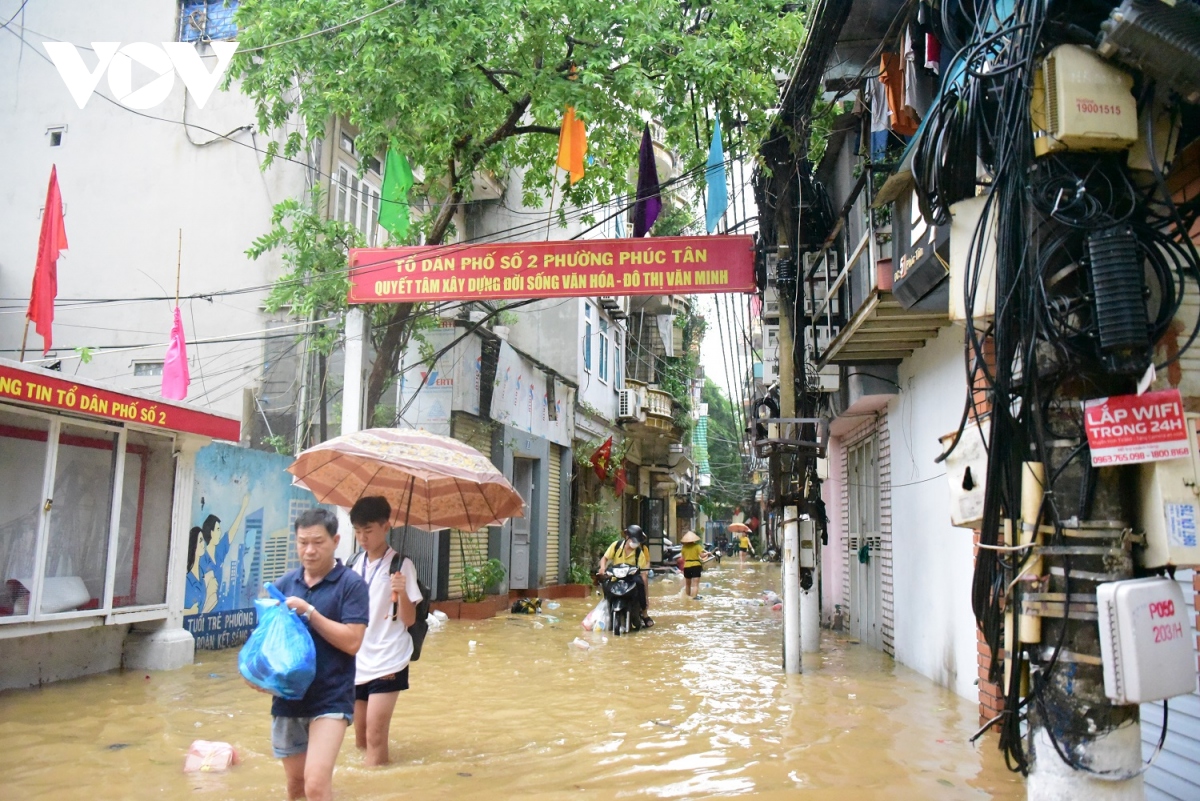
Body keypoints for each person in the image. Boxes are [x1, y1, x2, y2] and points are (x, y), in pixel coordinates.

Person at [266, 508, 369, 801]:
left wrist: (309, 612)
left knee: (315, 784)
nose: (309, 550)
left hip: (331, 697)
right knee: (296, 787)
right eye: (302, 542)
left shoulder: (351, 585)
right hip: (288, 699)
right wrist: (258, 676)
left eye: (318, 542)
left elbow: (352, 642)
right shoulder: (285, 585)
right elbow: (270, 643)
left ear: (335, 540)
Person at [348, 496, 423, 767]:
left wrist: (402, 592)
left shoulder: (401, 566)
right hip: (358, 659)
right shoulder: (353, 563)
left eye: (368, 531)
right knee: (359, 738)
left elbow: (409, 620)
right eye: (357, 531)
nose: (362, 538)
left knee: (376, 735)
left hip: (389, 658)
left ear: (386, 527)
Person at [599, 524, 652, 627]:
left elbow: (643, 573)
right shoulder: (616, 546)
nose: (635, 543)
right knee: (605, 583)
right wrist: (602, 567)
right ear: (627, 537)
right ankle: (607, 605)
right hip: (616, 578)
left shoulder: (639, 553)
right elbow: (604, 558)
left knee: (640, 583)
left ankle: (644, 614)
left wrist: (646, 596)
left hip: (631, 580)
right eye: (634, 540)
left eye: (637, 541)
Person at [679, 531, 713, 599]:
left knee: (688, 585)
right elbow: (702, 556)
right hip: (696, 566)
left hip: (687, 566)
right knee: (695, 585)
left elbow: (683, 558)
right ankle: (694, 598)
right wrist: (708, 553)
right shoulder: (697, 546)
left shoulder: (684, 548)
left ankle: (688, 598)